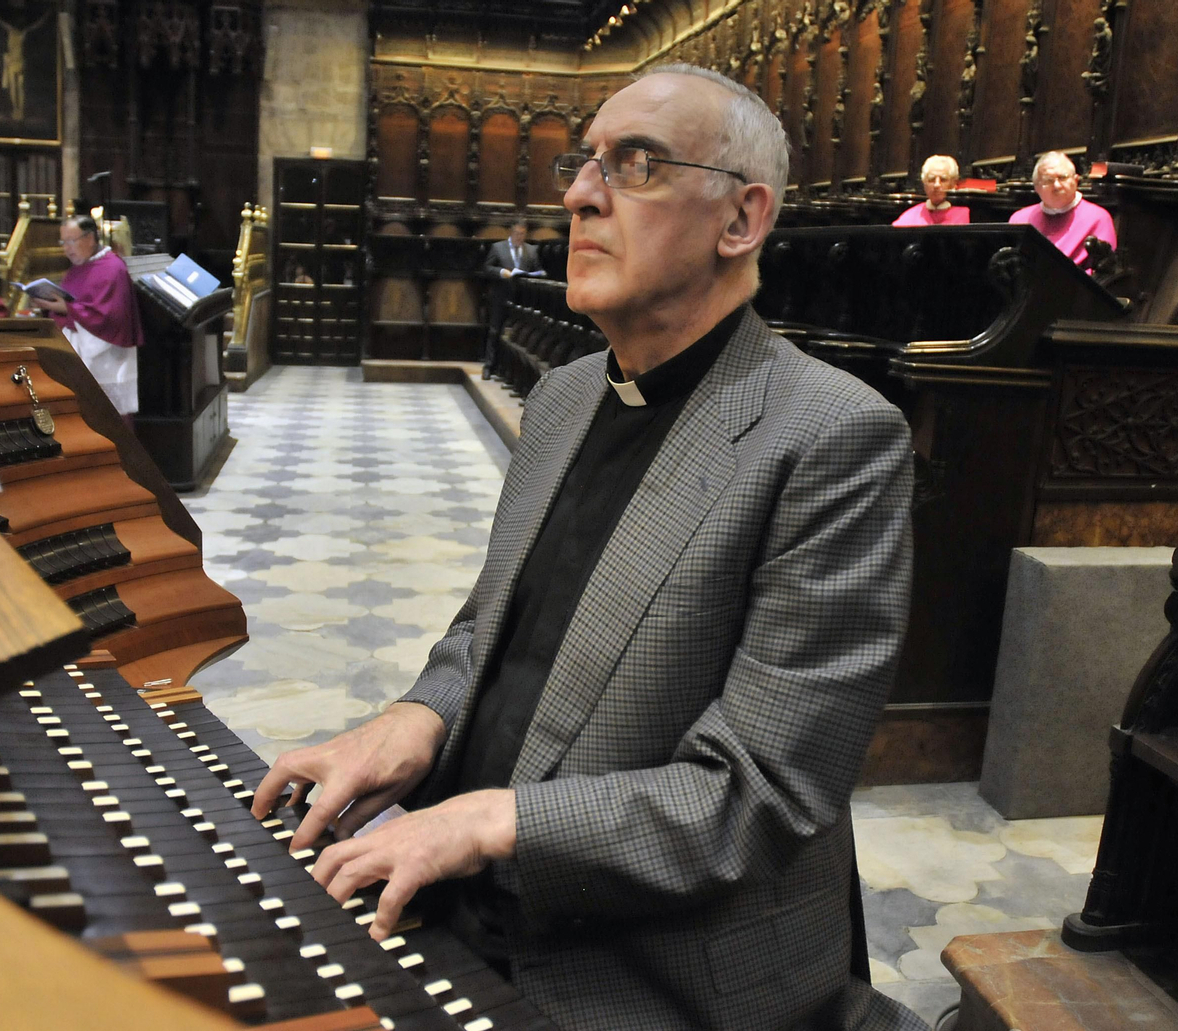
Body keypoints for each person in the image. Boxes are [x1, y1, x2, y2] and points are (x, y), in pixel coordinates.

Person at [252, 64, 920, 1031]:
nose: (577, 193)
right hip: (469, 897)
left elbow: (757, 793)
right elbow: (489, 639)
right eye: (584, 162)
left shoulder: (831, 437)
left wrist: (482, 821)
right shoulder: (567, 399)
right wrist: (416, 719)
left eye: (635, 164)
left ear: (741, 221)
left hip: (642, 968)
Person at [32, 214, 143, 417]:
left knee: (106, 417)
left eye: (71, 241)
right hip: (77, 350)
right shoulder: (79, 268)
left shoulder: (112, 268)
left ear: (90, 238)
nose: (66, 248)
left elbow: (111, 318)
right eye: (63, 242)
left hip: (105, 357)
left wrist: (67, 309)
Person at [1008, 151, 1116, 269]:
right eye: (1048, 180)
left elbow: (1104, 272)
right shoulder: (1019, 219)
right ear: (1036, 187)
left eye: (1062, 178)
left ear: (1075, 180)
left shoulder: (1098, 218)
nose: (1057, 186)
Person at [481, 220, 545, 370]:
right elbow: (487, 267)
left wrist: (540, 273)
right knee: (495, 331)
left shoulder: (531, 250)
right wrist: (501, 272)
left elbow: (538, 270)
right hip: (501, 295)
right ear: (511, 232)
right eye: (517, 234)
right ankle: (489, 366)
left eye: (522, 234)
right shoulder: (498, 248)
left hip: (522, 299)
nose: (519, 237)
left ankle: (507, 368)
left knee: (517, 334)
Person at [892, 155, 969, 226]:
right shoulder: (910, 216)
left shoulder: (965, 214)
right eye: (931, 179)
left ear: (954, 183)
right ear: (924, 183)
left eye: (943, 179)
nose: (936, 185)